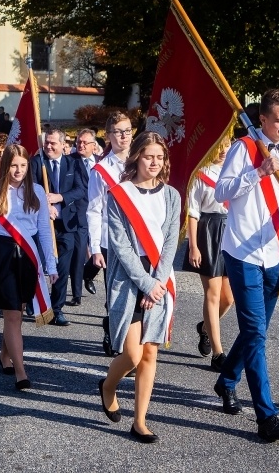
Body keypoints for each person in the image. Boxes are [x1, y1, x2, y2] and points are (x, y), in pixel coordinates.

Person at [212, 88, 279, 443]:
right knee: (257, 334)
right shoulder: (244, 148)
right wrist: (257, 172)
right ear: (262, 119)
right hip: (242, 252)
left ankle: (227, 378)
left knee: (254, 330)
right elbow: (221, 192)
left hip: (274, 251)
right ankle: (267, 417)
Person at [97, 131, 180, 444]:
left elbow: (172, 240)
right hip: (128, 278)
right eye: (149, 156)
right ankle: (108, 385)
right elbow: (119, 245)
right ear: (136, 157)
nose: (155, 162)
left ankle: (140, 420)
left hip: (160, 278)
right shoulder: (119, 194)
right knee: (132, 354)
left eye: (160, 157)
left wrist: (157, 283)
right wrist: (145, 283)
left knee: (150, 354)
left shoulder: (172, 195)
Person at [0, 145, 59, 390]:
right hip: (2, 254)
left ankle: (5, 354)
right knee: (11, 314)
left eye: (23, 165)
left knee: (18, 312)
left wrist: (51, 266)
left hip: (28, 256)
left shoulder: (38, 192)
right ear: (4, 166)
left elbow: (44, 231)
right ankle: (21, 373)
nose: (18, 170)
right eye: (13, 165)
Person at [183, 135, 234, 371]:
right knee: (212, 294)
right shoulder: (200, 173)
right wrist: (193, 245)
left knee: (229, 298)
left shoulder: (235, 170)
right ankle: (218, 352)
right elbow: (193, 213)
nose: (224, 150)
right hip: (208, 231)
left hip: (231, 231)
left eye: (228, 144)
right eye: (220, 145)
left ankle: (204, 328)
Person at [86, 111, 133, 355]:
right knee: (115, 294)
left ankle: (131, 344)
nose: (124, 136)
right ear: (108, 136)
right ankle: (114, 329)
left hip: (139, 240)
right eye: (118, 132)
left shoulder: (142, 162)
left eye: (127, 130)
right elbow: (93, 211)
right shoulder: (100, 170)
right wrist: (95, 248)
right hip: (111, 241)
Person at [31, 129, 86, 325]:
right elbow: (31, 188)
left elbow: (81, 189)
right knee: (36, 264)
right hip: (41, 224)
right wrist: (46, 206)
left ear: (63, 144)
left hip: (66, 225)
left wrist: (60, 199)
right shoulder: (38, 162)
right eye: (47, 143)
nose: (49, 146)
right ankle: (33, 302)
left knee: (62, 269)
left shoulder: (74, 163)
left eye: (53, 143)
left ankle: (57, 308)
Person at [68, 128, 100, 306]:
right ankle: (76, 295)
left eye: (84, 142)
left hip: (99, 215)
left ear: (94, 146)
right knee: (79, 253)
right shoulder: (70, 161)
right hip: (79, 214)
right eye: (78, 142)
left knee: (102, 252)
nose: (80, 145)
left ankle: (88, 275)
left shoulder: (101, 163)